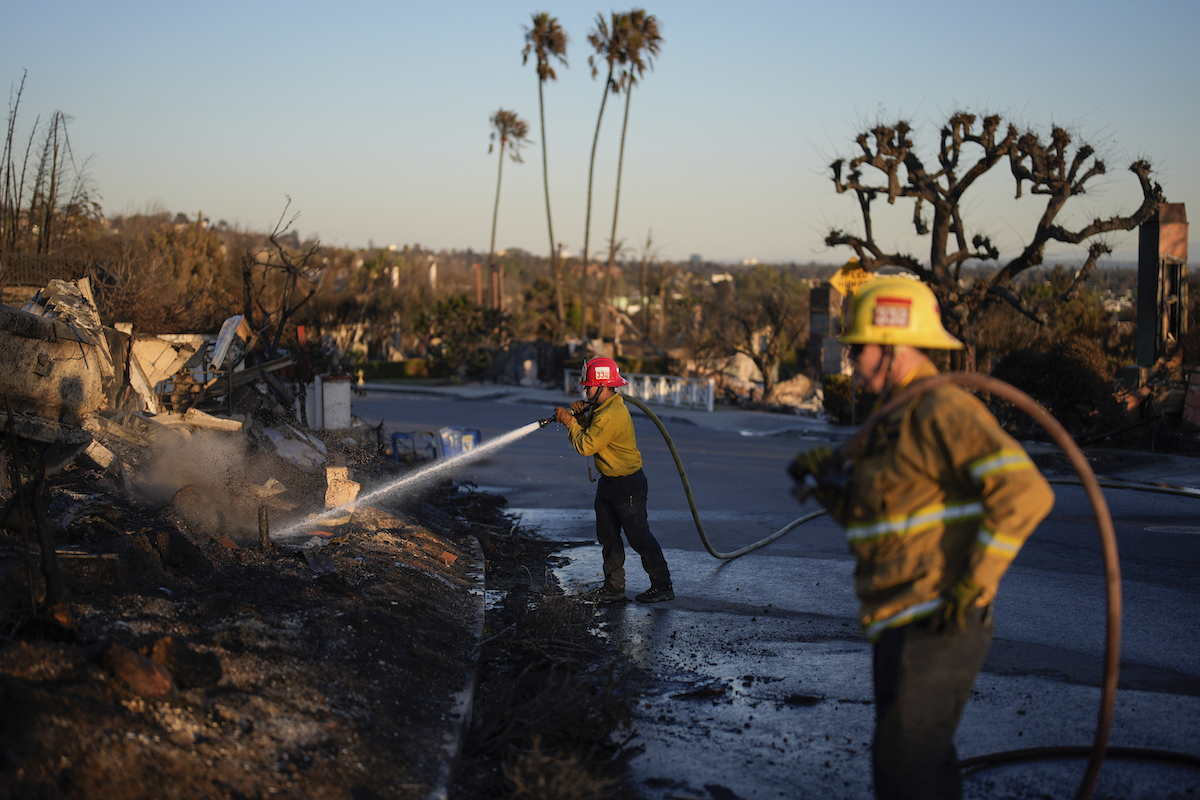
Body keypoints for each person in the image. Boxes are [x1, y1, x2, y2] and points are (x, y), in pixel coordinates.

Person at [788, 277, 1055, 800]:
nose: (850, 361)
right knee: (922, 765)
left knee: (903, 766)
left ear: (893, 347)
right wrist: (828, 489)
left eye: (857, 348)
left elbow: (1026, 493)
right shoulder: (892, 422)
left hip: (940, 617)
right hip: (897, 618)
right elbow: (878, 527)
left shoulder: (943, 410)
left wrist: (973, 586)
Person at [553, 357, 674, 604]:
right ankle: (613, 587)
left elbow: (587, 444)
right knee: (608, 535)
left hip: (627, 484)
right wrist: (581, 416)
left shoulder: (613, 413)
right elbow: (593, 430)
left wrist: (570, 421)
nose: (584, 390)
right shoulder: (602, 409)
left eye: (588, 386)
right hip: (609, 482)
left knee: (638, 536)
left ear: (603, 386)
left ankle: (662, 586)